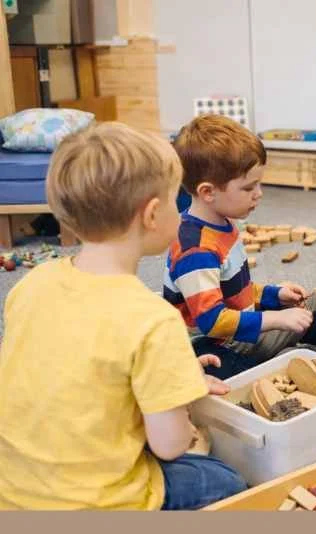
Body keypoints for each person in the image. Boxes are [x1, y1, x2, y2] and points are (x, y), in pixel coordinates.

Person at [0, 122, 246, 510]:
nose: (182, 213)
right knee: (225, 480)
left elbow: (80, 363)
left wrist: (171, 373)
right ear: (151, 214)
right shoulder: (152, 318)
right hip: (99, 502)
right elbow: (169, 446)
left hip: (13, 494)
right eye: (176, 202)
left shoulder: (31, 285)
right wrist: (179, 401)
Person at [164, 115, 316, 380]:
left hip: (236, 330)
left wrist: (274, 295)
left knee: (313, 317)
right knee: (254, 377)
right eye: (249, 187)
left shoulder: (222, 223)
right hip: (208, 344)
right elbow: (213, 321)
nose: (259, 193)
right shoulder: (196, 251)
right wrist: (277, 320)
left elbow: (234, 288)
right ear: (208, 192)